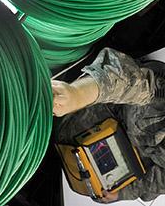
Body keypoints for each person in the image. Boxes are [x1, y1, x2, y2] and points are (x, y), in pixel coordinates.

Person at [52, 47, 165, 203]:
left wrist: (122, 194)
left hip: (132, 149)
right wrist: (79, 94)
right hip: (118, 108)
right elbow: (134, 83)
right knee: (62, 125)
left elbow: (159, 182)